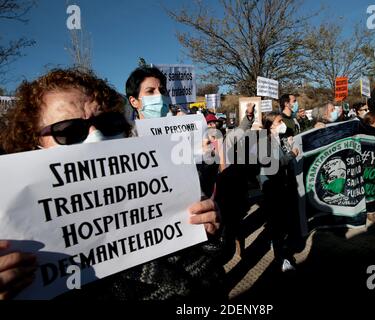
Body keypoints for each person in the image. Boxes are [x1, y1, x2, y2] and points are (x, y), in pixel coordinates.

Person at [0, 68, 224, 300]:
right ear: (32, 143)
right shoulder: (20, 241)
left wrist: (210, 232)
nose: (96, 137)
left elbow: (214, 269)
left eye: (108, 123)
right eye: (69, 131)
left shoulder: (164, 185)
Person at [260, 111, 300, 272]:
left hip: (282, 185)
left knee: (280, 222)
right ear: (270, 125)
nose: (282, 124)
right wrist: (291, 155)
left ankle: (277, 245)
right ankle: (281, 258)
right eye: (279, 121)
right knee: (277, 223)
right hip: (272, 187)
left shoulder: (279, 139)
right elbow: (272, 166)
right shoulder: (263, 142)